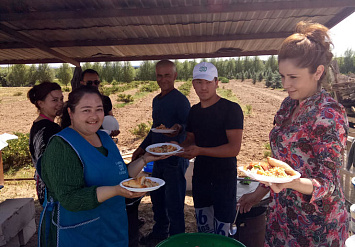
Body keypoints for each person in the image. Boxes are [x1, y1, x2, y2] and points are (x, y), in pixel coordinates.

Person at [238, 21, 349, 246]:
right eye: (282, 76)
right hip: (282, 217)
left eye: (293, 77)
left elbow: (330, 184)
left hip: (316, 227)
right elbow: (281, 163)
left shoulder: (328, 115)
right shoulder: (289, 104)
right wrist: (259, 193)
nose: (285, 84)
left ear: (318, 72)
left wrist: (292, 182)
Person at [38, 86, 168, 247]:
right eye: (86, 110)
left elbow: (121, 175)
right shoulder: (62, 146)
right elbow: (70, 199)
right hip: (81, 234)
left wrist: (145, 159)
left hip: (113, 228)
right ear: (71, 113)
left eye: (98, 109)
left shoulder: (104, 138)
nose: (94, 116)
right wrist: (116, 190)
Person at [178, 62, 244, 236]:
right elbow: (190, 139)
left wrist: (200, 151)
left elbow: (233, 149)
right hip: (201, 177)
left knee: (223, 227)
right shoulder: (194, 111)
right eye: (199, 82)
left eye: (208, 82)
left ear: (216, 82)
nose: (203, 87)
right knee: (204, 226)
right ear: (193, 84)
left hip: (223, 178)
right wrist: (176, 149)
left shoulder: (231, 109)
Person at [133, 60, 191, 245]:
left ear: (175, 76)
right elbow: (155, 128)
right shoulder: (156, 100)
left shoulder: (180, 100)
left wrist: (179, 129)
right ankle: (159, 234)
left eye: (167, 75)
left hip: (174, 159)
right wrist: (142, 146)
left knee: (174, 203)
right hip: (157, 157)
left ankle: (176, 240)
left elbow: (189, 126)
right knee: (157, 198)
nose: (163, 79)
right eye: (159, 75)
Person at [28, 82, 64, 205]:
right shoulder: (50, 129)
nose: (60, 103)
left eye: (61, 99)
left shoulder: (37, 125)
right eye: (54, 100)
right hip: (54, 190)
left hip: (42, 186)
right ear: (40, 103)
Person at [80, 69, 120, 136]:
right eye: (89, 83)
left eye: (96, 82)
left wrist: (112, 130)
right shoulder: (77, 102)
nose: (93, 85)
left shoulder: (106, 100)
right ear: (82, 83)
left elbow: (110, 117)